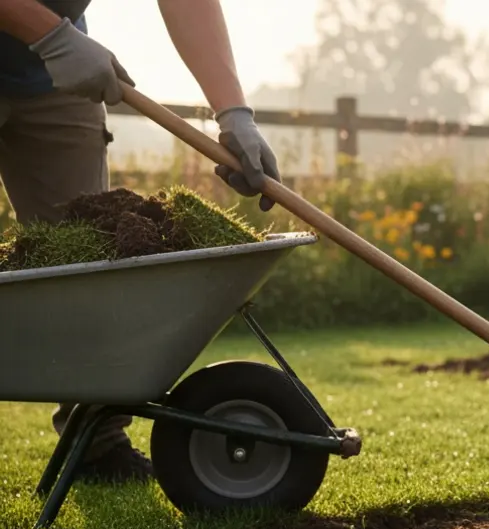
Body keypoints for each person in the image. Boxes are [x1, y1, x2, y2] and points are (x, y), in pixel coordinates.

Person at [0, 0, 280, 483]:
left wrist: (233, 111)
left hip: (52, 80)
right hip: (55, 48)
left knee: (86, 259)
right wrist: (51, 34)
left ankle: (97, 445)